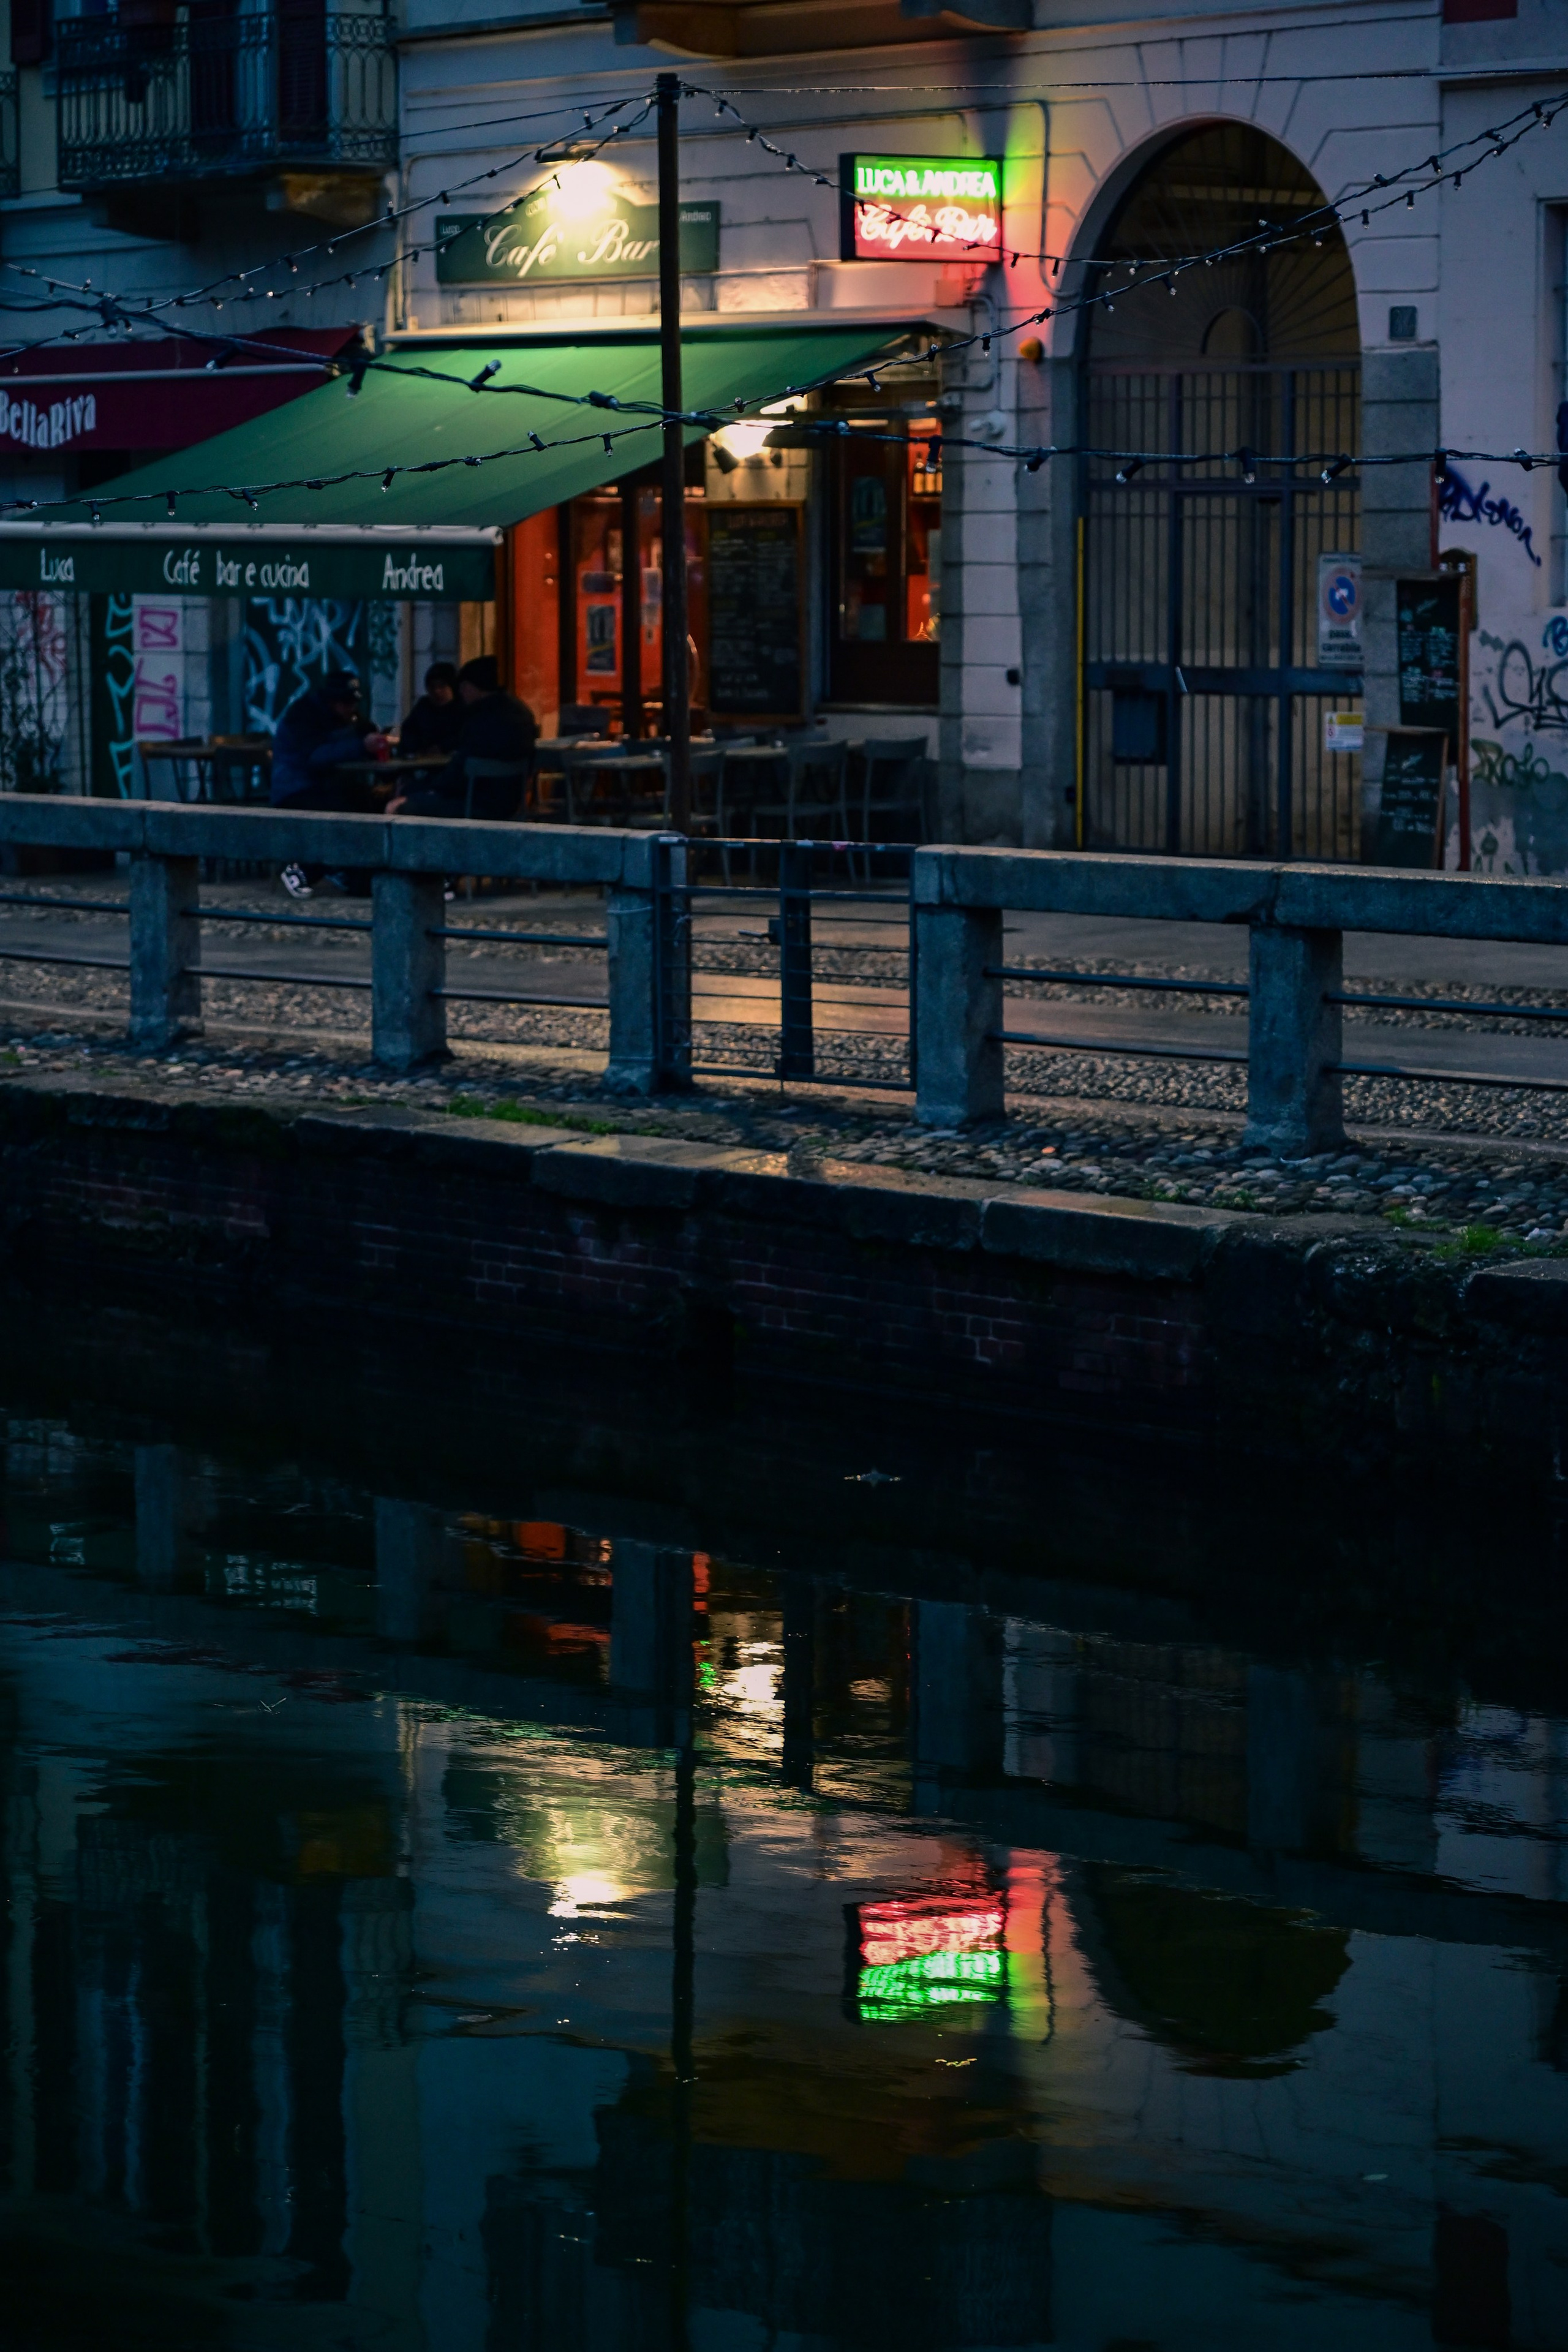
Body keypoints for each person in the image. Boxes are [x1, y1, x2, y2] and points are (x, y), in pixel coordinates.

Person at [270, 668, 383, 899]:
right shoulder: (304, 715)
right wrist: (360, 746)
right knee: (344, 813)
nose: (352, 709)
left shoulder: (340, 717)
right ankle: (308, 871)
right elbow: (315, 757)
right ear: (334, 702)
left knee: (367, 803)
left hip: (324, 784)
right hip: (297, 788)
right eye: (347, 704)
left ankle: (355, 875)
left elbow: (357, 731)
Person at [388, 656, 538, 821]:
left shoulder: (478, 718)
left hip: (475, 802)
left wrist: (417, 789)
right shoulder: (520, 713)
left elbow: (458, 775)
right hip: (512, 803)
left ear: (472, 687)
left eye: (463, 687)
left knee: (399, 806)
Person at [398, 660, 463, 760]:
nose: (437, 691)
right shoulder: (424, 707)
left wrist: (443, 748)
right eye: (432, 687)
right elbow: (409, 730)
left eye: (442, 686)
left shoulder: (462, 709)